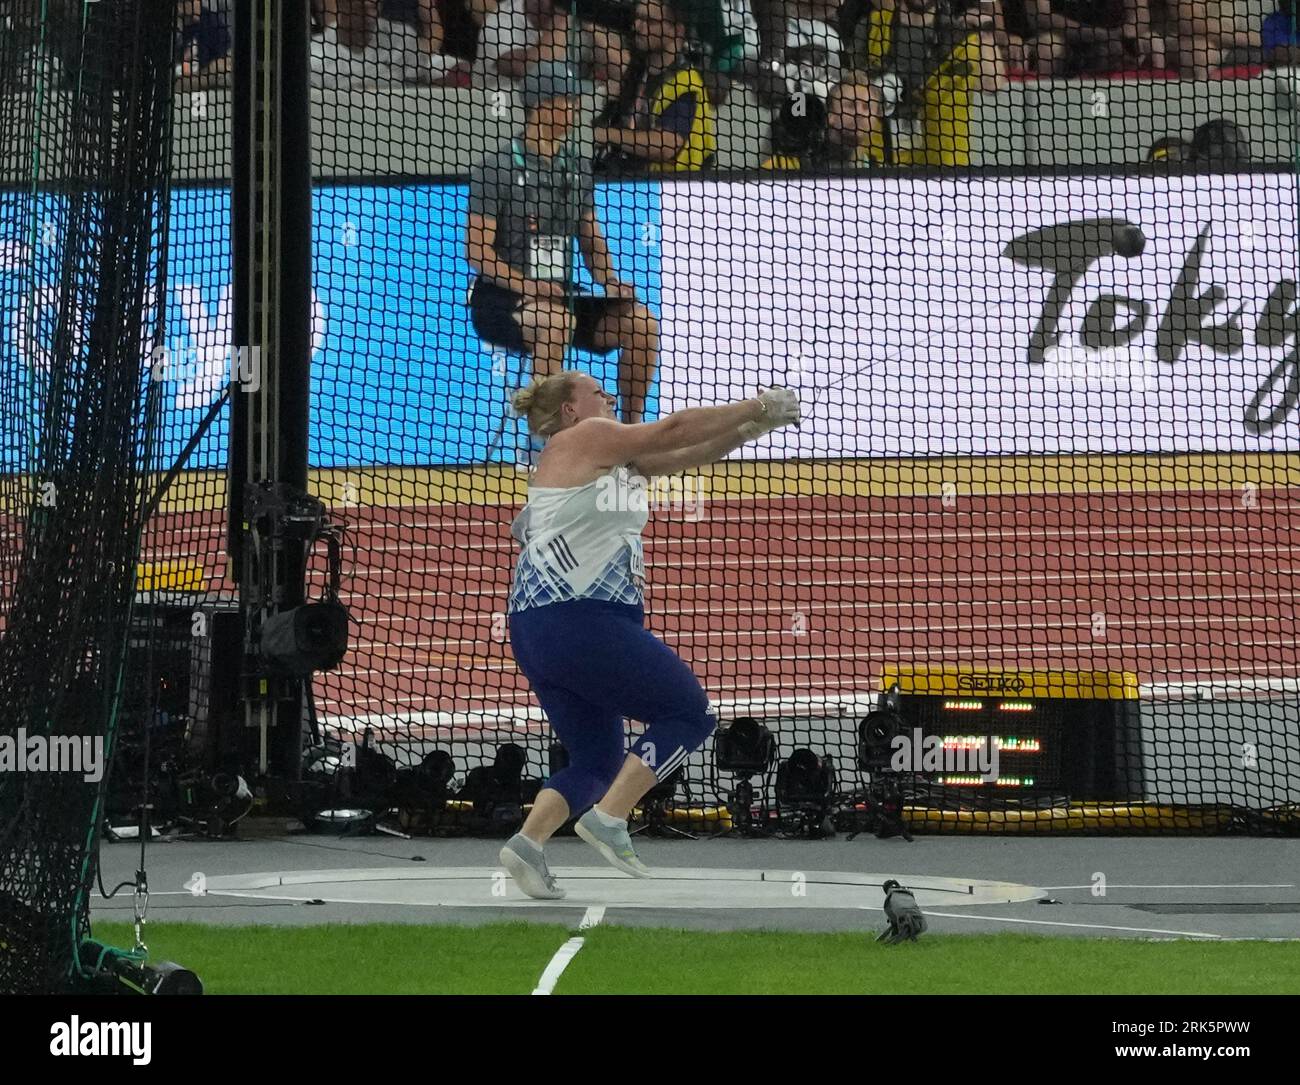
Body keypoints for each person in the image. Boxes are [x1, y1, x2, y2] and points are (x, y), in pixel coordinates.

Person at [498, 372, 801, 898]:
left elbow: (693, 450)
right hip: (581, 619)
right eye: (597, 394)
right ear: (571, 412)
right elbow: (672, 428)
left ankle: (527, 844)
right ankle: (610, 818)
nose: (609, 398)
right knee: (690, 713)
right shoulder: (584, 438)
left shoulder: (611, 461)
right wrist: (755, 400)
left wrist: (755, 425)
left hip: (540, 627)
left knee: (596, 760)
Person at [466, 63, 660, 424]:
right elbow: (478, 251)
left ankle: (631, 433)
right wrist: (527, 285)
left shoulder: (577, 167)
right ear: (539, 105)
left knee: (642, 324)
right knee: (555, 323)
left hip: (561, 292)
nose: (573, 107)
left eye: (574, 100)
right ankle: (545, 441)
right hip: (501, 299)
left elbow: (591, 237)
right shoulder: (497, 169)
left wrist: (609, 280)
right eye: (565, 100)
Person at [593, 0, 718, 172]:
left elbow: (667, 144)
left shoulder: (685, 82)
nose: (637, 26)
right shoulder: (639, 72)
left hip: (671, 190)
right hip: (628, 181)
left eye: (649, 21)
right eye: (637, 18)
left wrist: (609, 135)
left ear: (676, 31)